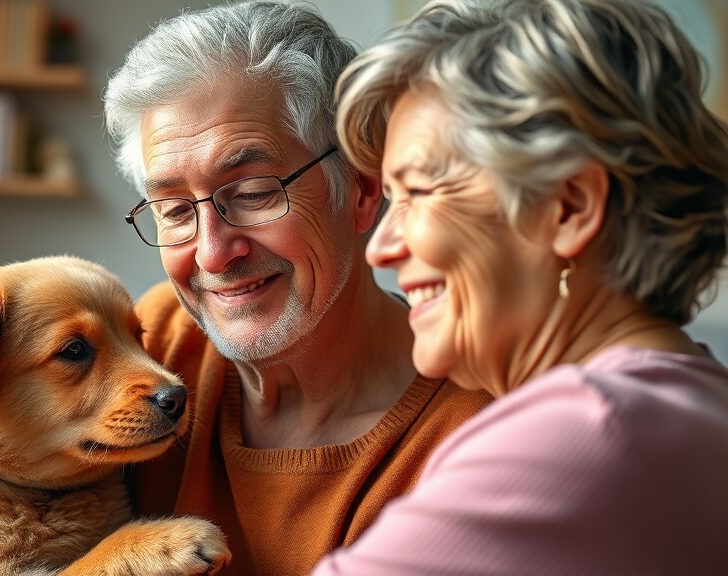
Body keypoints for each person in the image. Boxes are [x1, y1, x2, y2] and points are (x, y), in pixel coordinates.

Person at [312, 0, 728, 573]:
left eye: (418, 193)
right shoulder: (691, 405)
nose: (382, 247)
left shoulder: (583, 433)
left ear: (569, 207)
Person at [103, 2, 492, 574]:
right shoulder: (152, 345)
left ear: (360, 189)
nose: (212, 253)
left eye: (256, 192)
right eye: (175, 210)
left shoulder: (478, 437)